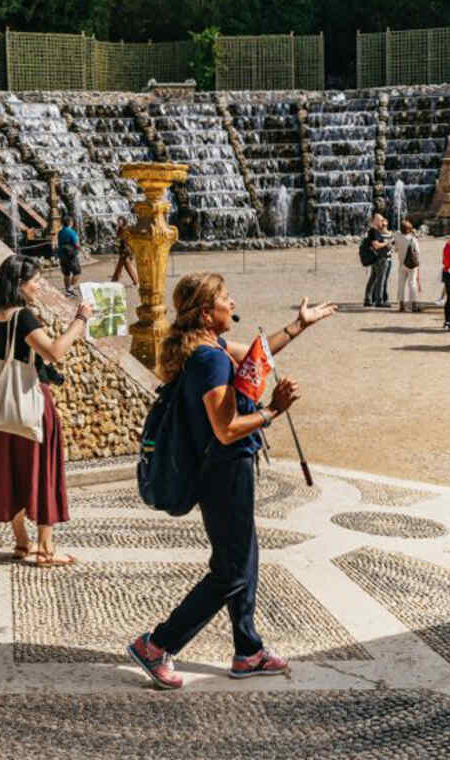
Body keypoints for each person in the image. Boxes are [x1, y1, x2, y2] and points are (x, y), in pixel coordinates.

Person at [128, 274, 336, 689]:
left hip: (224, 469)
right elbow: (226, 428)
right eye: (225, 298)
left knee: (243, 558)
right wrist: (273, 410)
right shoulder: (210, 360)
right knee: (231, 572)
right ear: (207, 313)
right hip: (222, 472)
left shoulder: (210, 348)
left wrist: (299, 325)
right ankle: (157, 644)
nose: (233, 302)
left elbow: (257, 358)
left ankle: (248, 650)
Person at [0, 255, 92, 566]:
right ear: (19, 284)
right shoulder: (23, 317)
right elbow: (54, 352)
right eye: (35, 280)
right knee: (43, 470)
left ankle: (21, 542)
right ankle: (45, 549)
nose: (39, 284)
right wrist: (80, 321)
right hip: (32, 402)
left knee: (10, 469)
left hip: (4, 408)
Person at [361, 213, 390, 307]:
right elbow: (376, 245)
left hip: (376, 259)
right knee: (380, 280)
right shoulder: (373, 231)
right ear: (376, 220)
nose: (382, 222)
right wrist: (386, 243)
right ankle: (379, 300)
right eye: (381, 220)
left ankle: (368, 299)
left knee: (373, 279)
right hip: (380, 259)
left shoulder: (374, 230)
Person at [393, 219, 421, 312]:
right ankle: (413, 304)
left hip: (402, 263)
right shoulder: (412, 239)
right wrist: (414, 234)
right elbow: (417, 252)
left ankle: (401, 304)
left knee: (401, 284)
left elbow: (396, 249)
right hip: (411, 264)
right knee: (412, 283)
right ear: (409, 230)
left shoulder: (397, 236)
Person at [56, 219, 81, 297]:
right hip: (71, 255)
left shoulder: (60, 232)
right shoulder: (72, 232)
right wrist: (80, 249)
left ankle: (68, 291)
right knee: (77, 272)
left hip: (62, 255)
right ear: (71, 223)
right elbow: (76, 244)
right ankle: (71, 288)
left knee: (66, 273)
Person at [110, 217, 138, 286]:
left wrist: (130, 251)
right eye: (118, 221)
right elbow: (119, 239)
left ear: (123, 222)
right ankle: (115, 280)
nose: (118, 223)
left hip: (125, 251)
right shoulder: (120, 229)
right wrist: (115, 242)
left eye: (120, 221)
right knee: (124, 266)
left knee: (123, 266)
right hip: (123, 250)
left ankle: (114, 280)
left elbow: (127, 240)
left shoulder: (125, 229)